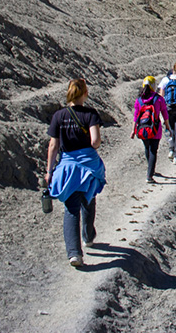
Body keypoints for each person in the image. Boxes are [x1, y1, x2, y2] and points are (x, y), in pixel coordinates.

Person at [45, 78, 106, 268]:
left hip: (68, 166)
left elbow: (53, 146)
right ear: (85, 94)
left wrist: (49, 171)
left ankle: (74, 254)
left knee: (71, 208)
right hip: (88, 165)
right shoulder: (91, 114)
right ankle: (88, 236)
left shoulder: (59, 116)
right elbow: (95, 141)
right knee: (89, 198)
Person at [132, 76, 169, 184]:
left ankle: (150, 169)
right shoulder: (159, 99)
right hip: (155, 128)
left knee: (147, 148)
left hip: (142, 129)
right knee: (153, 150)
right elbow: (164, 114)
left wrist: (133, 130)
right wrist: (167, 126)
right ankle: (149, 174)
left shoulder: (139, 100)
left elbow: (136, 116)